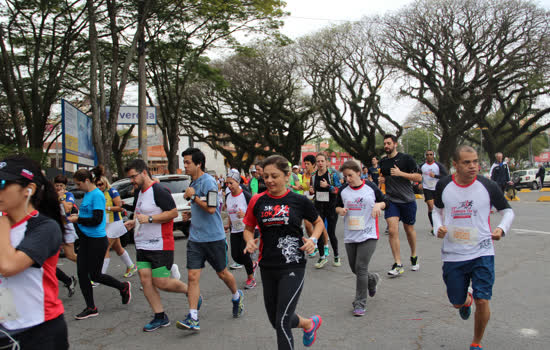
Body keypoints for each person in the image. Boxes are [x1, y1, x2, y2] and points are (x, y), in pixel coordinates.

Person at [433, 146, 514, 350]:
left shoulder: (488, 185)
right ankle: (464, 301)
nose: (473, 166)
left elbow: (508, 212)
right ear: (455, 165)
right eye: (467, 162)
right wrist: (437, 227)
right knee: (456, 302)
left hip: (483, 251)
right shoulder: (444, 185)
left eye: (475, 161)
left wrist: (501, 229)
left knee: (483, 300)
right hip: (453, 254)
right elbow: (436, 210)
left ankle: (476, 343)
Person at [243, 155, 324, 349]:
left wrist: (313, 239)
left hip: (293, 264)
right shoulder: (257, 201)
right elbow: (248, 228)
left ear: (287, 176)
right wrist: (249, 241)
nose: (269, 180)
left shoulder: (298, 200)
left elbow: (318, 222)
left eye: (275, 176)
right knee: (276, 320)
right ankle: (307, 323)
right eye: (266, 176)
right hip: (267, 265)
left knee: (282, 322)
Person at [0, 155, 69, 349]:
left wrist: (2, 222)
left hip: (40, 330)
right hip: (7, 326)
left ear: (28, 190)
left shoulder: (44, 227)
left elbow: (8, 266)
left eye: (2, 183)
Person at [176, 148, 244, 331]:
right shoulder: (194, 182)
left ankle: (237, 295)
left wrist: (194, 197)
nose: (185, 166)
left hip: (214, 238)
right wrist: (191, 214)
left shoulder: (210, 182)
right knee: (192, 276)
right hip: (196, 239)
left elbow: (212, 208)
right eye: (184, 163)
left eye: (188, 162)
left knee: (222, 273)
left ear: (199, 163)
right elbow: (202, 207)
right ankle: (193, 317)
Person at [123, 159, 192, 332]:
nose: (132, 181)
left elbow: (173, 213)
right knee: (145, 279)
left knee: (161, 282)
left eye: (133, 177)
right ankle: (160, 316)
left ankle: (191, 291)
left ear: (144, 172)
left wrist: (150, 219)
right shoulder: (139, 191)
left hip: (160, 244)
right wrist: (133, 222)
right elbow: (141, 213)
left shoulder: (159, 190)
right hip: (142, 244)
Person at [68, 168, 131, 320]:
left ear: (87, 181)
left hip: (96, 240)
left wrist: (78, 219)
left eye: (78, 184)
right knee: (82, 273)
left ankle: (123, 287)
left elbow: (96, 220)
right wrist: (78, 216)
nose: (77, 187)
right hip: (86, 239)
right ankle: (91, 307)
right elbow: (88, 215)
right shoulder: (88, 194)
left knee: (95, 275)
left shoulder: (97, 195)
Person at [336, 160, 386, 317]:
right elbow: (336, 206)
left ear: (359, 173)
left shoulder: (370, 187)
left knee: (361, 267)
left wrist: (379, 206)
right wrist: (340, 210)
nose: (348, 179)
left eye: (350, 175)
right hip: (351, 234)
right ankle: (372, 280)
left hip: (369, 233)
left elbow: (386, 201)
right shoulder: (343, 190)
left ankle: (360, 303)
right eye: (345, 176)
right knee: (354, 268)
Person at [379, 134, 422, 277]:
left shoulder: (406, 159)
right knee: (392, 230)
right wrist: (382, 180)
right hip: (391, 201)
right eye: (385, 143)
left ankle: (414, 255)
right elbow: (384, 178)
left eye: (389, 143)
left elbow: (418, 177)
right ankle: (398, 263)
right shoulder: (383, 162)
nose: (386, 146)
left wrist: (400, 173)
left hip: (408, 200)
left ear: (395, 144)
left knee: (409, 229)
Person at [93, 168, 137, 278]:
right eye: (96, 185)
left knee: (104, 248)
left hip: (115, 223)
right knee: (118, 248)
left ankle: (100, 276)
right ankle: (131, 266)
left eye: (101, 184)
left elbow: (119, 207)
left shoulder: (112, 191)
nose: (99, 186)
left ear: (105, 183)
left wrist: (107, 207)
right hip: (105, 223)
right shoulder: (97, 193)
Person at [309, 152, 342, 268]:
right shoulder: (313, 175)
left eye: (322, 161)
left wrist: (328, 186)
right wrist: (311, 191)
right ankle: (322, 257)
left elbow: (338, 190)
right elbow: (311, 190)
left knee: (331, 232)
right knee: (318, 232)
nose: (320, 163)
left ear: (326, 162)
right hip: (318, 206)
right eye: (318, 161)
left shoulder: (332, 174)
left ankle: (336, 256)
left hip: (331, 206)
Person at [225, 169, 256, 289]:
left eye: (231, 183)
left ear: (238, 182)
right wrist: (228, 224)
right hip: (234, 230)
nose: (229, 186)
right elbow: (229, 213)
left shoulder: (246, 195)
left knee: (244, 254)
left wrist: (245, 215)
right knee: (235, 256)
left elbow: (254, 212)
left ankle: (251, 278)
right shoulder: (227, 196)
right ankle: (251, 264)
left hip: (246, 230)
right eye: (227, 183)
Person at [53, 174, 78, 297]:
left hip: (66, 227)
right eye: (56, 185)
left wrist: (61, 198)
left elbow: (68, 209)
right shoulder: (51, 194)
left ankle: (89, 270)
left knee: (71, 256)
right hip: (54, 229)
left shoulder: (68, 195)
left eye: (61, 186)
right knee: (50, 259)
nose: (58, 188)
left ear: (65, 186)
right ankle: (67, 280)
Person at [419, 150, 448, 235]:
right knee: (431, 207)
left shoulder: (438, 166)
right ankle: (434, 226)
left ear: (433, 156)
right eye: (427, 155)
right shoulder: (422, 166)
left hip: (437, 188)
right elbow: (417, 174)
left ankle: (439, 224)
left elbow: (445, 176)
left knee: (437, 208)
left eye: (431, 154)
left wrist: (435, 176)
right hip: (426, 188)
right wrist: (419, 183)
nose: (429, 156)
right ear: (425, 156)